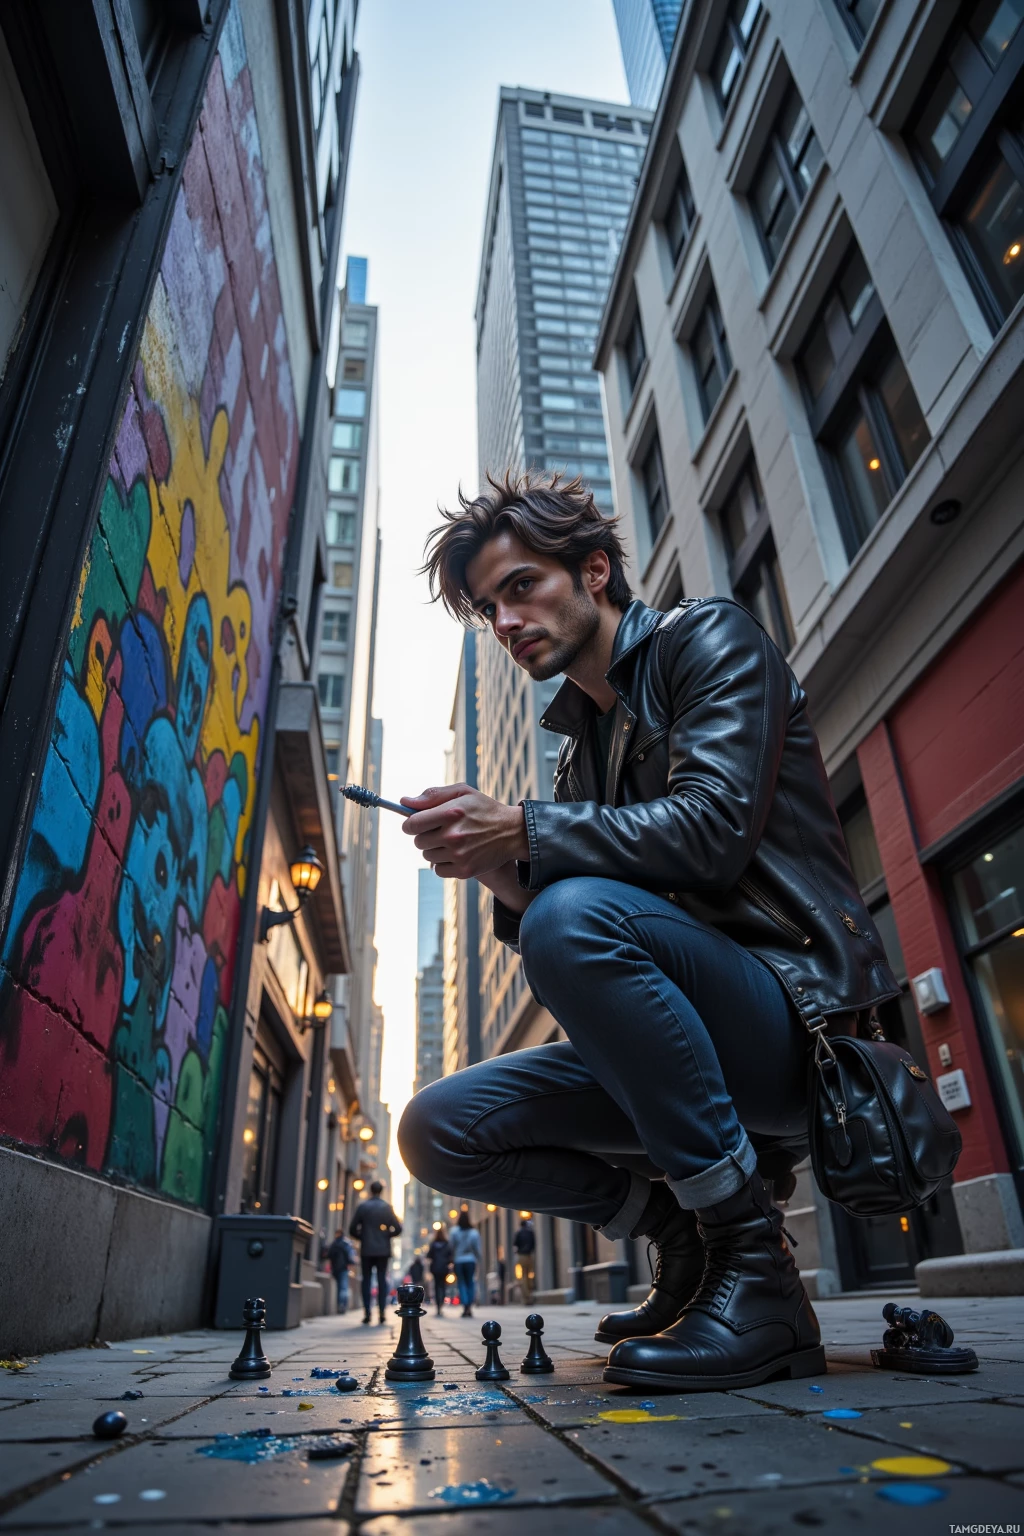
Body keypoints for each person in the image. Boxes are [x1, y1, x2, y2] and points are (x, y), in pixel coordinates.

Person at [398, 471, 899, 1391]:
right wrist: (491, 863)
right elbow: (569, 909)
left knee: (570, 914)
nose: (506, 622)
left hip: (797, 1027)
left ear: (594, 571)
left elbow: (707, 835)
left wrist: (525, 829)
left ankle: (756, 1271)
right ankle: (680, 1240)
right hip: (681, 1034)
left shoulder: (708, 641)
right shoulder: (584, 743)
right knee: (438, 1130)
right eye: (487, 607)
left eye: (522, 588)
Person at [349, 1180, 402, 1325]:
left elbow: (352, 1229)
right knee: (381, 1280)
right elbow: (398, 1228)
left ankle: (367, 1313)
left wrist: (363, 1237)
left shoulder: (363, 1207)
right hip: (383, 1250)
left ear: (371, 1190)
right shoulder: (387, 1208)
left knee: (366, 1280)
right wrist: (386, 1236)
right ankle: (382, 1313)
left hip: (366, 1249)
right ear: (381, 1191)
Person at [449, 1209, 482, 1318]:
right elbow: (477, 1249)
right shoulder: (474, 1232)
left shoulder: (454, 1231)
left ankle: (465, 1305)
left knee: (461, 1283)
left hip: (458, 1261)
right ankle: (469, 1306)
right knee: (470, 1282)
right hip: (470, 1260)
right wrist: (479, 1259)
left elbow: (451, 1247)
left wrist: (451, 1259)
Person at [324, 1228, 356, 1313]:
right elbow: (350, 1257)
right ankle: (343, 1305)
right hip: (343, 1268)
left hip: (335, 1268)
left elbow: (329, 1255)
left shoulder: (334, 1244)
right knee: (343, 1287)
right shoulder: (346, 1244)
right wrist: (352, 1262)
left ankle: (340, 1305)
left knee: (339, 1288)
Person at [427, 1225, 453, 1316]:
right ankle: (441, 1303)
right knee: (443, 1286)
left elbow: (429, 1256)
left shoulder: (433, 1244)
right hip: (444, 1268)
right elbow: (450, 1256)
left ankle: (438, 1305)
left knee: (436, 1286)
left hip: (435, 1268)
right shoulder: (446, 1243)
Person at [513, 1217, 535, 1304]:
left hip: (521, 1256)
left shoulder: (518, 1233)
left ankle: (526, 1297)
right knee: (530, 1275)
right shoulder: (531, 1233)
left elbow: (515, 1245)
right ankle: (530, 1295)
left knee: (523, 1277)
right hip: (529, 1255)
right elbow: (534, 1244)